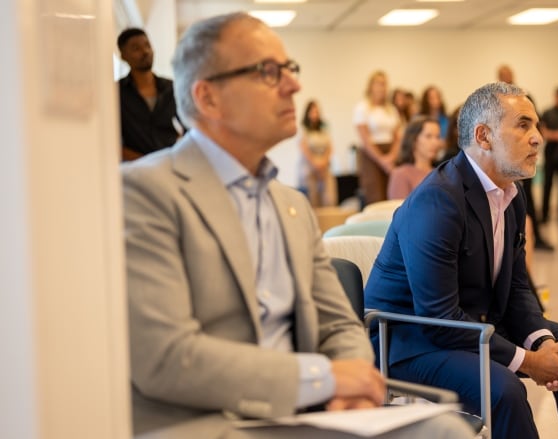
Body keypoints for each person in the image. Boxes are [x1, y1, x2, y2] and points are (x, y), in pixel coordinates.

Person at [123, 12, 472, 439]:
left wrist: (355, 382)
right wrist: (322, 379)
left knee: (444, 429)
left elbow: (339, 323)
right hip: (205, 422)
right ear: (208, 97)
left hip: (304, 413)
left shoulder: (290, 204)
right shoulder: (144, 191)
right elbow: (165, 358)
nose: (293, 84)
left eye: (290, 69)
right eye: (267, 72)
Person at [365, 82, 558, 439]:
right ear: (483, 136)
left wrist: (542, 343)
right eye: (523, 125)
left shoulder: (511, 194)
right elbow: (437, 319)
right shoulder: (437, 201)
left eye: (537, 126)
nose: (537, 139)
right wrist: (529, 362)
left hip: (473, 321)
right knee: (504, 388)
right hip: (412, 340)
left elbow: (516, 287)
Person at [496, 64, 552, 251]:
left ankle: (533, 235)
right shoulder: (494, 101)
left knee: (526, 198)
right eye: (503, 76)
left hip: (522, 157)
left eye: (509, 76)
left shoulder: (524, 98)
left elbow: (537, 125)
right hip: (505, 161)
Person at [117, 28, 181, 161]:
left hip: (171, 165)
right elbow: (112, 139)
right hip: (134, 168)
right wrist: (146, 163)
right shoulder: (117, 92)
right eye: (136, 48)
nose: (145, 52)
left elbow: (189, 126)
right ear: (123, 55)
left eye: (147, 45)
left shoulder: (172, 87)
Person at [354, 71, 402, 205]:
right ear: (371, 86)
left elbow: (397, 136)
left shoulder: (391, 109)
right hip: (371, 156)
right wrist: (381, 160)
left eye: (385, 84)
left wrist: (392, 156)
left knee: (392, 195)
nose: (382, 87)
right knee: (375, 197)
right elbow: (365, 138)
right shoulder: (362, 108)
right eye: (379, 83)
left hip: (390, 153)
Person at [387, 117, 441, 199]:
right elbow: (399, 209)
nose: (435, 142)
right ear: (414, 140)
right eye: (428, 136)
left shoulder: (440, 173)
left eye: (437, 137)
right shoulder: (400, 174)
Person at [298, 100, 337, 207]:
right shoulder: (304, 131)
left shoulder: (324, 130)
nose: (315, 114)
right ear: (308, 114)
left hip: (324, 168)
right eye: (312, 112)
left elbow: (329, 148)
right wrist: (315, 164)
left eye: (317, 111)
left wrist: (323, 163)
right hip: (309, 169)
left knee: (329, 199)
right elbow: (304, 149)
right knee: (313, 199)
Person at [540, 87, 558, 226]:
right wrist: (556, 135)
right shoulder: (547, 113)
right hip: (551, 153)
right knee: (547, 185)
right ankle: (544, 215)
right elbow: (543, 132)